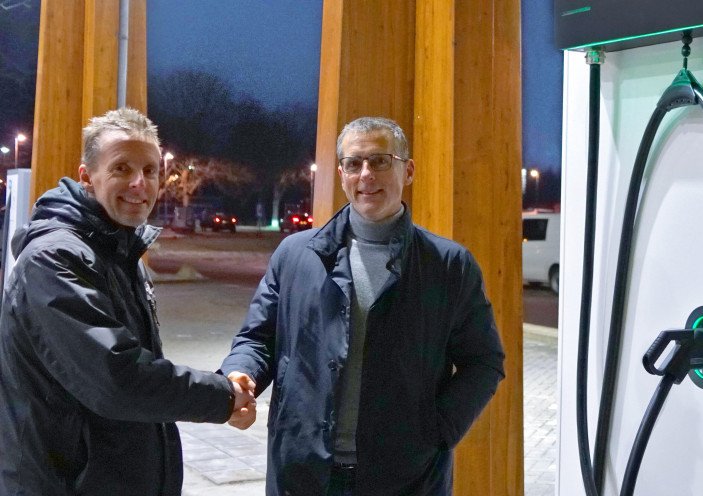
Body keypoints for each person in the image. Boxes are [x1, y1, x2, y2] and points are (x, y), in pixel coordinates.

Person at [221, 116, 505, 496]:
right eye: (354, 163)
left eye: (381, 161)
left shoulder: (448, 265)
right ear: (341, 175)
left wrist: (437, 432)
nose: (366, 174)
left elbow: (483, 362)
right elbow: (258, 339)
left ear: (408, 171)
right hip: (302, 470)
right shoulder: (296, 255)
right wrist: (240, 374)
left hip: (406, 477)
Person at [0, 107, 256, 495]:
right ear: (87, 177)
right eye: (122, 169)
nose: (140, 184)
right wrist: (221, 396)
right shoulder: (54, 258)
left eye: (151, 171)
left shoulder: (117, 250)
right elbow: (116, 378)